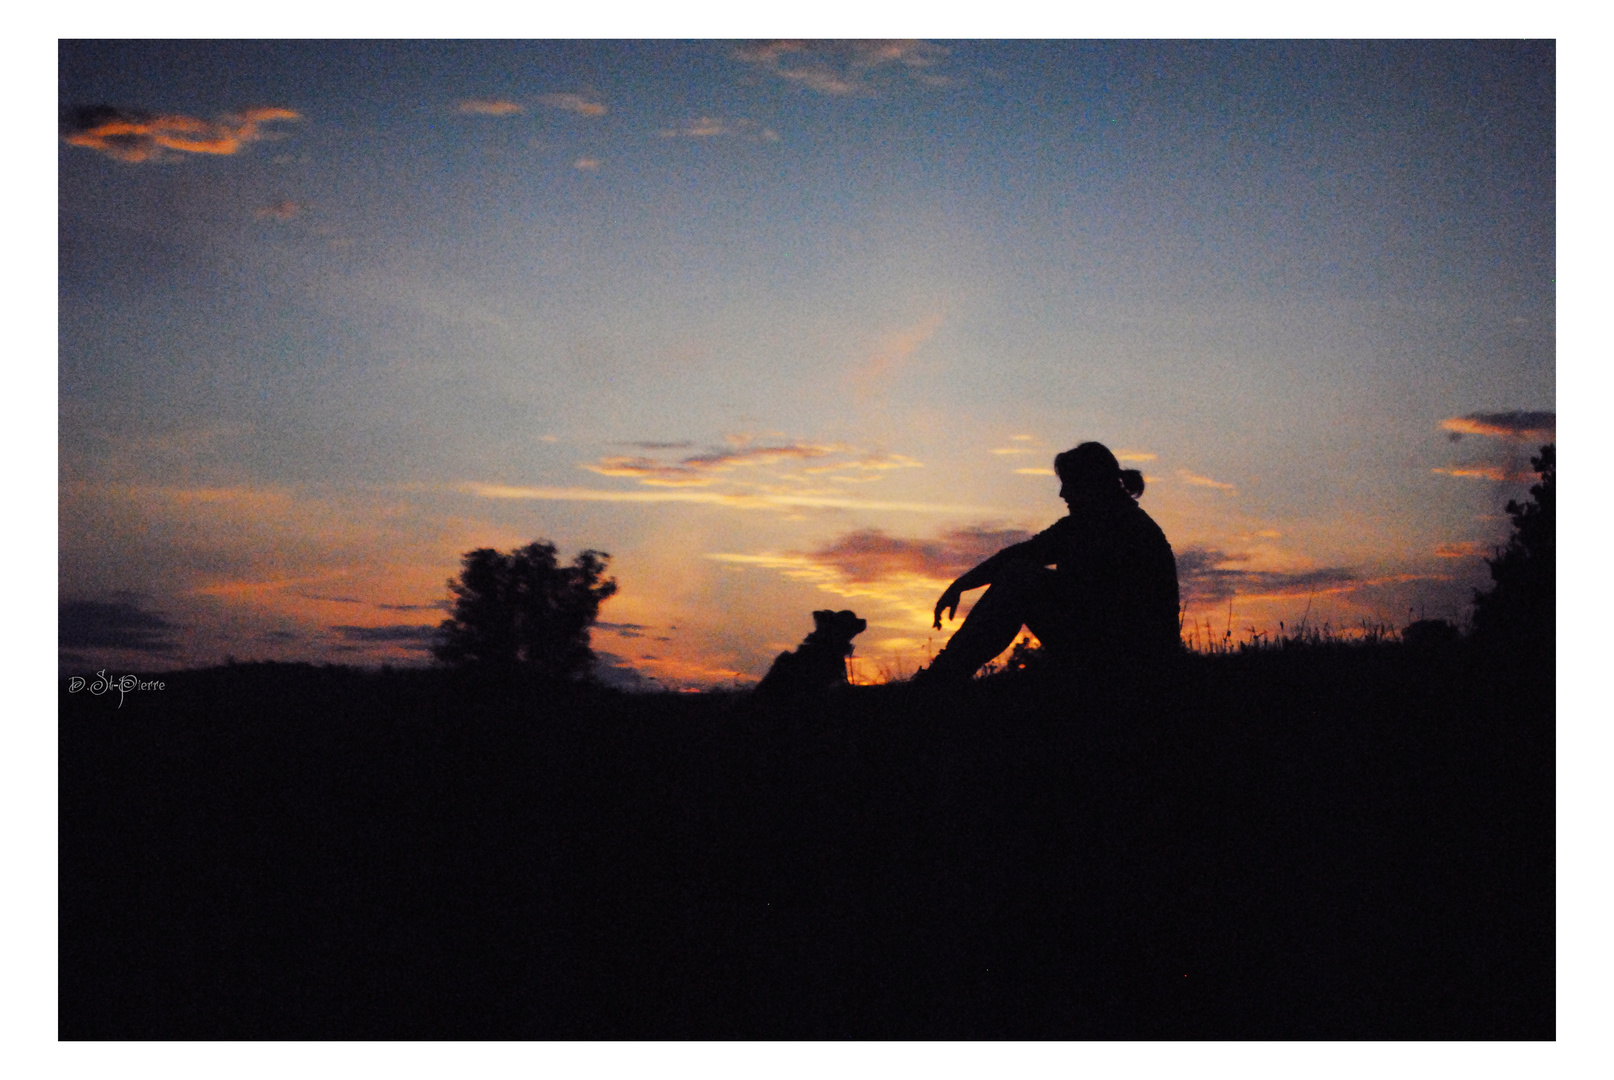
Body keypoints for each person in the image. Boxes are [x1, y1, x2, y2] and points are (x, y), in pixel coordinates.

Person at [915, 442, 1180, 685]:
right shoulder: (1101, 523)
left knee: (1019, 578)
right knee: (1018, 573)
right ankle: (945, 673)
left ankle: (943, 676)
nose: (1063, 493)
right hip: (1125, 652)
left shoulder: (1115, 527)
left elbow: (1020, 561)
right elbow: (1020, 554)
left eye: (1070, 483)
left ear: (1091, 484)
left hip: (1128, 658)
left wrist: (960, 586)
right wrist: (960, 585)